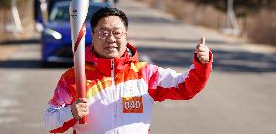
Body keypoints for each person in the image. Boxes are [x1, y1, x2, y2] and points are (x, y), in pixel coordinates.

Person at [44, 7, 213, 134]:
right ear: (93, 36)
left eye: (117, 33)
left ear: (125, 35)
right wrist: (70, 112)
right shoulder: (75, 77)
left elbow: (186, 87)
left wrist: (201, 64)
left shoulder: (146, 74)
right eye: (103, 33)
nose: (111, 39)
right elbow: (51, 123)